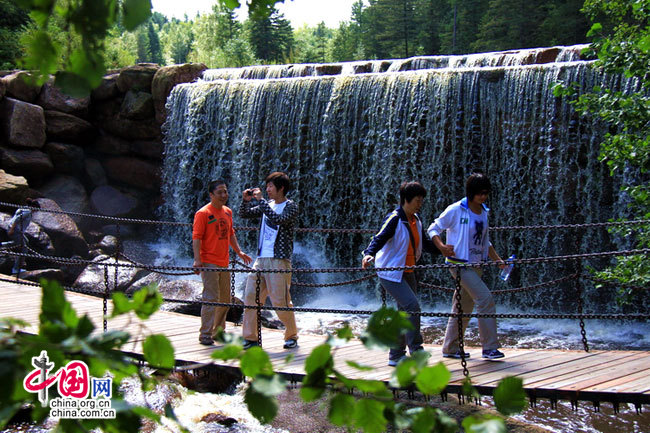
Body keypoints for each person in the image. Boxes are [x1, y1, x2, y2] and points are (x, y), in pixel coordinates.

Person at [427, 172, 506, 360]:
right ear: (471, 192)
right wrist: (442, 247)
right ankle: (490, 348)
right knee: (486, 299)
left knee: (462, 307)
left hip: (476, 265)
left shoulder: (484, 212)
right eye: (480, 193)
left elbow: (485, 242)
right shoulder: (456, 209)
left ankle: (451, 348)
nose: (483, 197)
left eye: (486, 193)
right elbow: (433, 228)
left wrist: (498, 260)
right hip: (460, 265)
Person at [362, 181, 437, 367]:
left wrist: (444, 250)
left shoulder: (416, 220)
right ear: (406, 200)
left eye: (421, 201)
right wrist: (368, 254)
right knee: (412, 306)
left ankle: (396, 355)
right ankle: (416, 350)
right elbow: (379, 237)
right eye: (417, 201)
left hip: (408, 271)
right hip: (390, 273)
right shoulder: (395, 218)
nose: (420, 204)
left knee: (404, 312)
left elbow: (425, 243)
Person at [240, 172, 300, 350]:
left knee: (280, 301)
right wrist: (245, 200)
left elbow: (278, 220)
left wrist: (261, 202)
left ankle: (291, 335)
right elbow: (244, 214)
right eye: (266, 187)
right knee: (250, 297)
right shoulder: (268, 205)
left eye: (270, 187)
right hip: (261, 259)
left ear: (281, 188)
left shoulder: (291, 206)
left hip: (279, 260)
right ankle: (250, 338)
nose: (267, 190)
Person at [193, 180, 252, 346]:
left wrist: (239, 251)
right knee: (210, 298)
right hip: (208, 261)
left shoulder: (227, 212)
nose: (224, 195)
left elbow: (230, 233)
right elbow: (196, 238)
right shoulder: (203, 213)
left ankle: (218, 332)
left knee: (225, 299)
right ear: (211, 195)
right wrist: (198, 260)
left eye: (225, 192)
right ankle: (205, 335)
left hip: (223, 261)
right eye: (219, 192)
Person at [7, 198, 41, 275]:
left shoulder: (24, 208)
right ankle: (16, 269)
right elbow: (17, 219)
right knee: (24, 249)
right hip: (16, 231)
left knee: (25, 242)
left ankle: (2, 245)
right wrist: (12, 229)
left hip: (17, 230)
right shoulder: (28, 212)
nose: (35, 212)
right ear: (34, 207)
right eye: (36, 210)